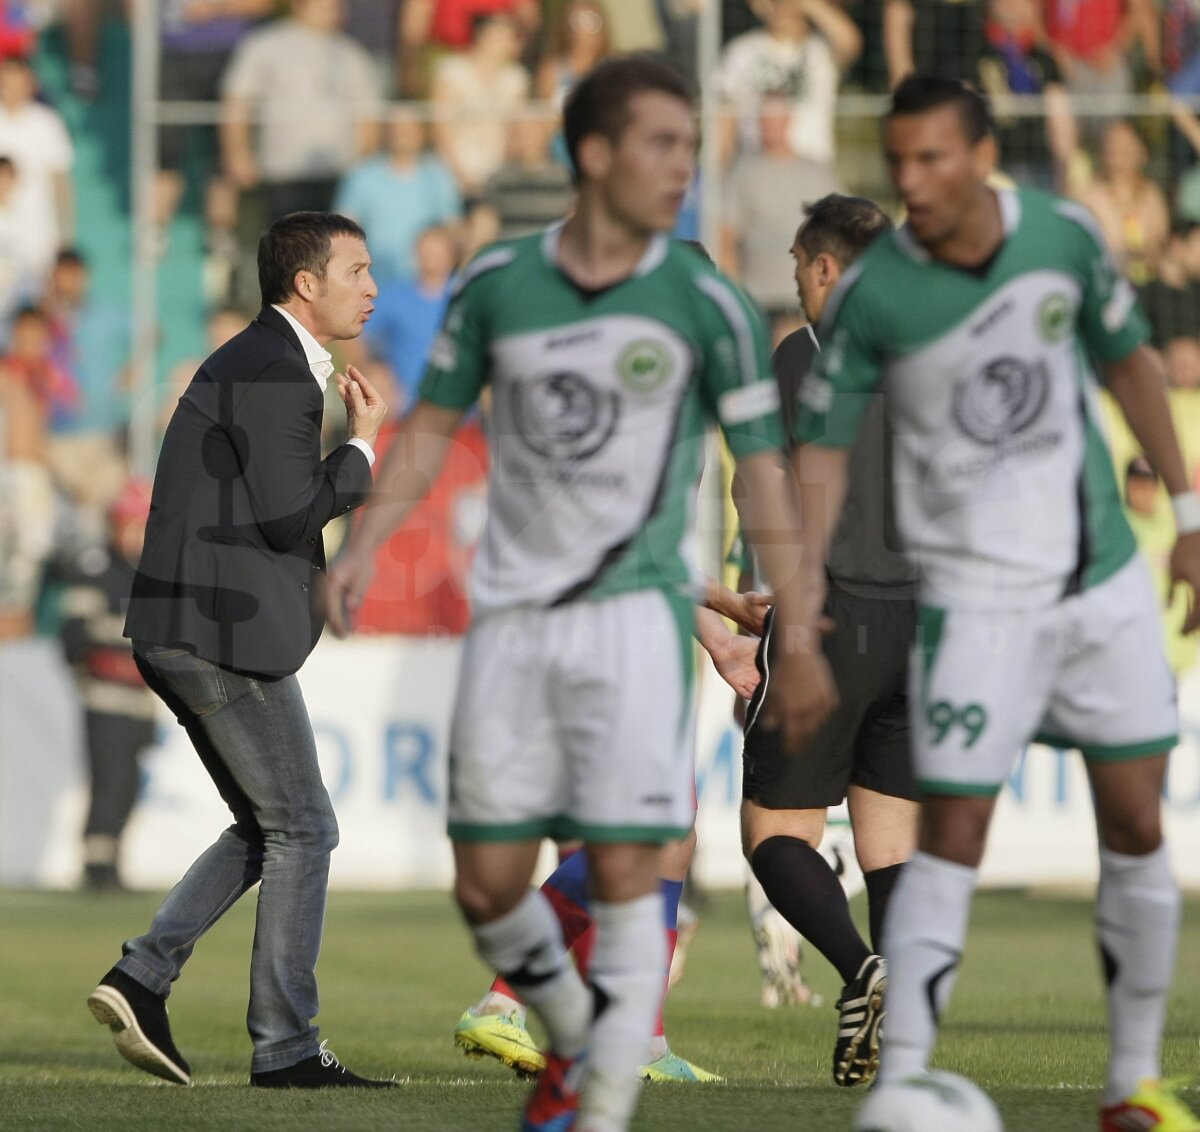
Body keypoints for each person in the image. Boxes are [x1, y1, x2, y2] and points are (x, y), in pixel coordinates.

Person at [326, 54, 818, 1132]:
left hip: (637, 625)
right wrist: (361, 546)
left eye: (690, 148)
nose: (684, 169)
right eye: (661, 145)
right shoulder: (502, 281)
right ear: (593, 155)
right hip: (513, 622)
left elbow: (762, 472)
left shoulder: (712, 305)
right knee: (489, 887)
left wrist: (800, 617)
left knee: (641, 861)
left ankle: (593, 1097)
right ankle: (559, 1026)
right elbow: (432, 429)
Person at [789, 74, 1200, 1131]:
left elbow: (1132, 366)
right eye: (899, 161)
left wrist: (1191, 515)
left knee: (1138, 821)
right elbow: (824, 461)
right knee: (954, 830)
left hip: (1099, 580)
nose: (913, 181)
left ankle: (1133, 1082)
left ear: (981, 155)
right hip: (972, 603)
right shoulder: (877, 296)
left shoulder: (1062, 235)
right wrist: (799, 609)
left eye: (933, 159)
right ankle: (910, 1077)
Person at [86, 212, 392, 1090]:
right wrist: (364, 446)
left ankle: (143, 976)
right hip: (214, 633)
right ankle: (287, 1048)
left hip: (190, 625)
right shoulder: (273, 369)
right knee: (305, 827)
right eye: (358, 271)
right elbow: (290, 514)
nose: (372, 288)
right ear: (307, 284)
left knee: (270, 828)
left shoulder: (266, 360)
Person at [738, 192, 919, 1089]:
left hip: (831, 609)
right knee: (891, 837)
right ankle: (907, 1039)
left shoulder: (803, 355)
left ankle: (861, 969)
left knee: (776, 828)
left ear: (823, 267)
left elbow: (759, 481)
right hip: (925, 619)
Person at [60, 478, 157, 892]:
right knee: (109, 781)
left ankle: (112, 860)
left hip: (141, 700)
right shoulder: (95, 569)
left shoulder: (154, 575)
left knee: (129, 784)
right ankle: (96, 867)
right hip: (104, 698)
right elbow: (74, 638)